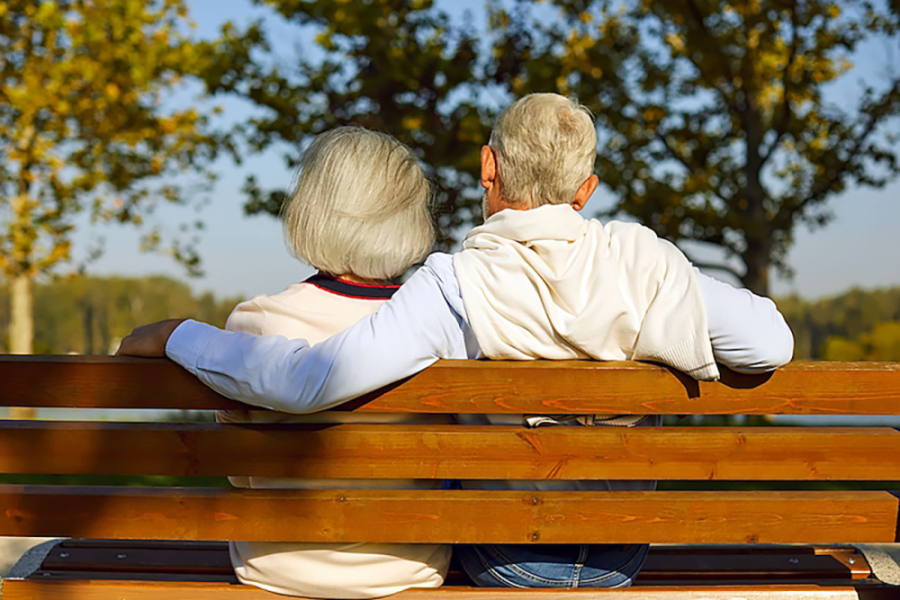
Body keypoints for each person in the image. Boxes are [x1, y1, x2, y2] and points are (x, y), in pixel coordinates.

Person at [119, 94, 794, 589]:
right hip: (620, 552)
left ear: (486, 166)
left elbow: (309, 381)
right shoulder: (645, 261)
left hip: (504, 557)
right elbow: (769, 344)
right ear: (586, 190)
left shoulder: (455, 284)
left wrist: (181, 334)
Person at [204, 127, 451, 599]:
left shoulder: (256, 324)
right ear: (410, 219)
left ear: (310, 210)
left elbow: (239, 473)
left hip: (276, 568)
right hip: (407, 569)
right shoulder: (436, 330)